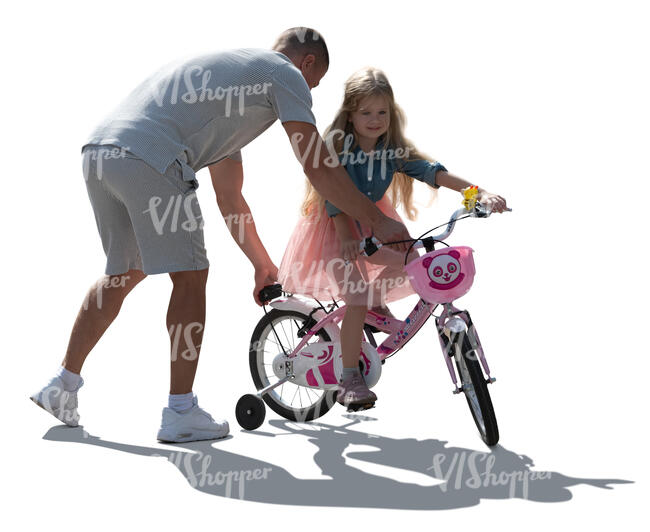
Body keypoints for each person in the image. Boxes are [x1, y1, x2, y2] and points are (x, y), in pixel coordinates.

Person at [29, 29, 413, 442]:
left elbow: (231, 201)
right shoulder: (283, 73)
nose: (308, 94)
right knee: (191, 276)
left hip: (102, 154)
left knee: (123, 272)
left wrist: (262, 265)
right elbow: (316, 165)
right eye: (313, 84)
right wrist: (376, 221)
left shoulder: (228, 91)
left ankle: (61, 386)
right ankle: (180, 411)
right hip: (152, 156)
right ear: (306, 64)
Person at [277, 67, 508, 409]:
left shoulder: (391, 149)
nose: (375, 119)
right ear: (350, 115)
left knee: (414, 261)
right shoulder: (338, 145)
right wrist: (346, 239)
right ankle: (350, 376)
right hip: (335, 226)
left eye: (382, 112)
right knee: (355, 297)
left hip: (374, 223)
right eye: (366, 112)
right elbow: (332, 196)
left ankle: (375, 301)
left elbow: (433, 173)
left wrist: (478, 192)